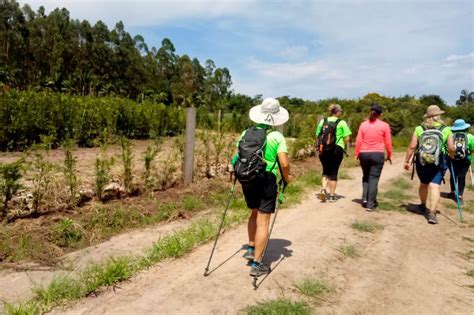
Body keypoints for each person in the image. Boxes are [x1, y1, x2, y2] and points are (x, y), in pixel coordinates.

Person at [232, 98, 292, 277]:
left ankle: (250, 248)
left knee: (254, 213)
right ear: (275, 118)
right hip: (266, 179)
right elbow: (284, 162)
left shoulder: (246, 133)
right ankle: (257, 264)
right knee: (263, 221)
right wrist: (287, 178)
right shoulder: (276, 136)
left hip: (248, 179)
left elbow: (235, 157)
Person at [404, 105, 454, 224]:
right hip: (439, 160)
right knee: (435, 186)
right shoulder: (446, 129)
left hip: (422, 161)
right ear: (439, 115)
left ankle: (422, 206)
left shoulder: (419, 128)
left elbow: (412, 146)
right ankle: (432, 213)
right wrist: (451, 156)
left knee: (424, 184)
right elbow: (451, 147)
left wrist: (407, 161)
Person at [355, 104, 392, 212]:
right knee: (373, 178)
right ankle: (371, 204)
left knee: (366, 176)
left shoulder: (363, 125)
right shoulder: (384, 125)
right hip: (377, 154)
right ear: (381, 114)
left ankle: (365, 199)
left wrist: (357, 153)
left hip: (364, 154)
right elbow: (388, 142)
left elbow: (358, 141)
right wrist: (389, 155)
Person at [316, 104, 352, 202]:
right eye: (341, 111)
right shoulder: (342, 122)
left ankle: (323, 190)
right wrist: (342, 144)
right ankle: (331, 196)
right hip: (337, 149)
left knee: (325, 170)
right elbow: (347, 138)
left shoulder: (323, 121)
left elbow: (318, 134)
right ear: (337, 112)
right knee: (334, 172)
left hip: (323, 149)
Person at [447, 119, 473, 202]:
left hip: (452, 158)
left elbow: (448, 147)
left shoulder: (450, 136)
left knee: (453, 175)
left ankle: (452, 192)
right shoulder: (470, 137)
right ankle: (460, 195)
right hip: (466, 159)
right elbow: (472, 149)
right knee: (462, 176)